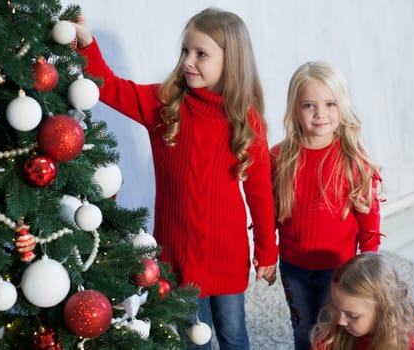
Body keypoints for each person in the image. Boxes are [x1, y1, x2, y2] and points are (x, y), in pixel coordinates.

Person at [73, 8, 278, 350]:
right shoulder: (165, 104)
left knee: (233, 334)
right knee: (191, 338)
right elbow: (108, 87)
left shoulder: (246, 122)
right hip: (177, 254)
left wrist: (268, 251)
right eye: (185, 51)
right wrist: (86, 44)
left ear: (232, 62)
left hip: (227, 254)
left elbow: (259, 194)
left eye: (201, 54)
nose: (188, 61)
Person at [270, 61, 383, 350]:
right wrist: (265, 253)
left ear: (342, 106)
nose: (320, 113)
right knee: (303, 327)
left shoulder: (352, 158)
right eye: (309, 105)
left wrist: (367, 263)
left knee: (334, 329)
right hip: (293, 265)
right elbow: (268, 211)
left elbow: (368, 216)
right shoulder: (280, 157)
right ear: (295, 109)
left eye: (330, 104)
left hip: (338, 269)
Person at [310, 253, 414, 350]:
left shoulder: (408, 346)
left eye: (352, 315)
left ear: (383, 310)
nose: (340, 321)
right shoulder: (334, 335)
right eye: (336, 307)